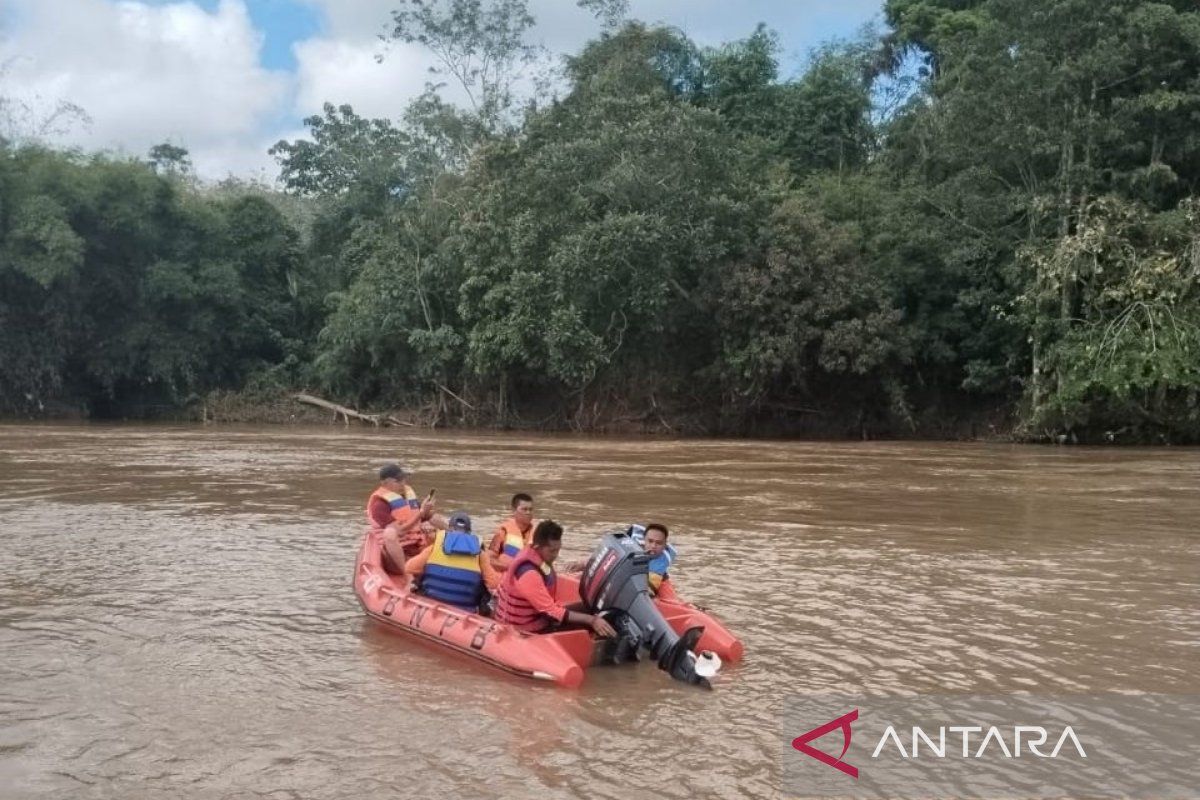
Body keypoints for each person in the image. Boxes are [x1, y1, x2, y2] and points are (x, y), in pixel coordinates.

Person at [494, 520, 617, 637]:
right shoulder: (528, 573)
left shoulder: (537, 555)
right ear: (537, 547)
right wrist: (592, 621)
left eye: (558, 550)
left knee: (590, 605)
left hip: (539, 617)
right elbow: (551, 612)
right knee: (589, 623)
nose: (555, 555)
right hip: (525, 629)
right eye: (552, 551)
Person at [405, 511, 499, 613]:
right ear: (469, 532)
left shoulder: (435, 546)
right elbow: (494, 584)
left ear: (450, 529)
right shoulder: (480, 554)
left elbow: (409, 567)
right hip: (466, 609)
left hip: (431, 603)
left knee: (420, 575)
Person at [366, 463, 435, 574]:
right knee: (390, 533)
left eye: (404, 479)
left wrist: (427, 512)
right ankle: (405, 572)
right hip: (398, 550)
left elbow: (420, 516)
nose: (403, 483)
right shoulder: (379, 504)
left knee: (435, 519)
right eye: (398, 481)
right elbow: (399, 531)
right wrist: (421, 514)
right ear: (385, 483)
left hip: (417, 543)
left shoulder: (406, 497)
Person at [487, 492, 536, 572]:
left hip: (529, 577)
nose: (528, 513)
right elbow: (490, 559)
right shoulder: (503, 532)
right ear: (514, 510)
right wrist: (510, 567)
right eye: (524, 509)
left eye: (530, 510)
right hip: (507, 577)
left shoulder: (538, 534)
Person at [632, 523, 680, 602]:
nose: (653, 546)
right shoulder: (630, 555)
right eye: (650, 541)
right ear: (644, 540)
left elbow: (672, 602)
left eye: (658, 543)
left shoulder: (661, 573)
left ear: (664, 545)